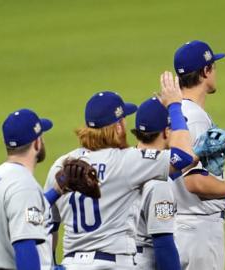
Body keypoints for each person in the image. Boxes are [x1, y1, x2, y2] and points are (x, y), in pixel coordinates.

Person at [45, 72, 194, 270]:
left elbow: (49, 226)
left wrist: (50, 264)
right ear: (118, 126)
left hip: (70, 264)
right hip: (114, 264)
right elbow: (183, 156)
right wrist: (174, 105)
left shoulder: (62, 164)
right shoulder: (127, 161)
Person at [171, 40, 225, 270]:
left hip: (176, 226)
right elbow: (194, 180)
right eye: (214, 67)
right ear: (205, 71)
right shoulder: (195, 117)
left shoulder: (176, 111)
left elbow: (206, 154)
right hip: (199, 230)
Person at [0, 109, 54, 270]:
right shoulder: (24, 185)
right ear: (37, 143)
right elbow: (24, 245)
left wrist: (56, 192)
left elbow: (15, 212)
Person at [131, 97, 182, 270]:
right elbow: (163, 244)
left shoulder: (122, 163)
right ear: (166, 132)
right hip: (141, 261)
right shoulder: (160, 183)